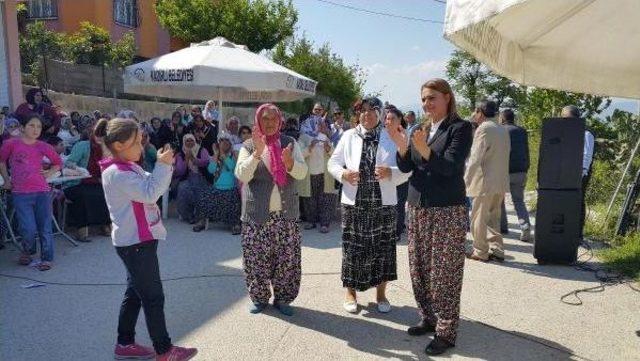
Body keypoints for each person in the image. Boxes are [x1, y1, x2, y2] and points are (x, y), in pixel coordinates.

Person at [96, 118, 198, 361]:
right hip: (136, 244)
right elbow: (150, 191)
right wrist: (163, 166)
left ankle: (125, 342)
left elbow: (148, 184)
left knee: (135, 292)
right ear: (119, 145)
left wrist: (162, 166)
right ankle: (164, 351)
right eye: (136, 142)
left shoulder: (126, 166)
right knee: (153, 297)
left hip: (137, 242)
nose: (141, 146)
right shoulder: (117, 173)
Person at [387, 78, 473, 355]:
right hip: (417, 206)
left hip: (447, 209)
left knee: (444, 273)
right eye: (423, 99)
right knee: (420, 269)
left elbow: (449, 167)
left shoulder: (460, 128)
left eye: (432, 98)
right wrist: (402, 144)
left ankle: (446, 333)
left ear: (447, 97)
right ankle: (428, 318)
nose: (426, 104)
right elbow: (406, 164)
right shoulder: (421, 128)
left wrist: (423, 148)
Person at [328, 97, 409, 314]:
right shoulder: (348, 136)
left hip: (384, 204)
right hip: (354, 203)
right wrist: (343, 173)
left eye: (372, 110)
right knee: (353, 249)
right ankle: (350, 293)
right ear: (358, 114)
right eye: (362, 111)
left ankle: (381, 294)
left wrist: (392, 172)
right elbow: (333, 163)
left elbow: (409, 168)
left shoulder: (392, 136)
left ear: (381, 113)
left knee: (383, 250)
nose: (367, 114)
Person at [235, 103, 308, 316]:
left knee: (286, 260)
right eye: (264, 118)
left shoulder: (290, 143)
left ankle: (283, 299)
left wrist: (290, 164)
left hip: (286, 215)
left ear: (280, 121)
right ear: (258, 120)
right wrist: (257, 153)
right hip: (256, 215)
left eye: (273, 119)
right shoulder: (249, 145)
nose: (269, 123)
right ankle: (259, 298)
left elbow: (302, 174)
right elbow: (242, 175)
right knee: (256, 259)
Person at [0, 114, 62, 271]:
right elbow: (1, 161)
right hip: (20, 193)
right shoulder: (11, 144)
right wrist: (7, 179)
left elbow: (58, 162)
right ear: (22, 127)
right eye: (31, 125)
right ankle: (28, 250)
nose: (35, 130)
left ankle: (47, 257)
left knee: (44, 226)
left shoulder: (43, 146)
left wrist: (49, 173)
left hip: (41, 191)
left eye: (39, 127)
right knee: (27, 227)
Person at [466, 100, 511, 263]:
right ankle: (497, 249)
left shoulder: (483, 128)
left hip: (484, 181)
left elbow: (475, 158)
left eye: (475, 112)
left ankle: (480, 251)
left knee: (478, 217)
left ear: (480, 112)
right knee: (493, 218)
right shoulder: (502, 129)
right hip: (500, 181)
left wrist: (466, 180)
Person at [64, 123, 112, 242]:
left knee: (108, 193)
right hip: (78, 182)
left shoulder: (107, 149)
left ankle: (106, 225)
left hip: (99, 182)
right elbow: (69, 163)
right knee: (83, 195)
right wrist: (77, 168)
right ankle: (82, 230)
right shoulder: (82, 145)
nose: (100, 137)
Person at [193, 134, 241, 234]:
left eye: (227, 141)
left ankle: (235, 224)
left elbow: (232, 167)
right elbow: (211, 170)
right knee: (204, 196)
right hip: (217, 188)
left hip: (230, 188)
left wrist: (224, 156)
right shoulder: (216, 156)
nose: (224, 143)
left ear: (230, 144)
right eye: (222, 141)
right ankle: (201, 221)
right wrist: (216, 154)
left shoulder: (234, 155)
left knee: (233, 200)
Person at [561, 105, 594, 241]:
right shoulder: (569, 131)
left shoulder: (586, 133)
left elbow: (586, 155)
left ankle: (578, 234)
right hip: (567, 172)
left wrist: (581, 174)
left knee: (578, 202)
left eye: (565, 118)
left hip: (580, 174)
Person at [499, 109, 532, 241]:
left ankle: (502, 227)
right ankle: (525, 226)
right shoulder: (522, 131)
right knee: (518, 201)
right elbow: (526, 151)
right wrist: (526, 167)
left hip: (504, 171)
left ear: (502, 118)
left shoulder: (500, 130)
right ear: (513, 118)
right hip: (520, 171)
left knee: (499, 200)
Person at [172, 133, 210, 224]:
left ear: (194, 141)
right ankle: (188, 215)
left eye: (191, 140)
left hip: (201, 177)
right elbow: (180, 171)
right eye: (187, 141)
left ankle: (200, 214)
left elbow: (205, 162)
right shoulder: (180, 154)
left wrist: (193, 159)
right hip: (186, 178)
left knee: (199, 189)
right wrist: (186, 159)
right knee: (182, 189)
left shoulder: (202, 150)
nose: (189, 142)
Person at [385, 106, 410, 238]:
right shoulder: (381, 135)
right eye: (387, 118)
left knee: (399, 204)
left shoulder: (406, 135)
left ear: (399, 120)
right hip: (384, 176)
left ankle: (397, 231)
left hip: (401, 175)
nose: (388, 121)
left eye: (392, 119)